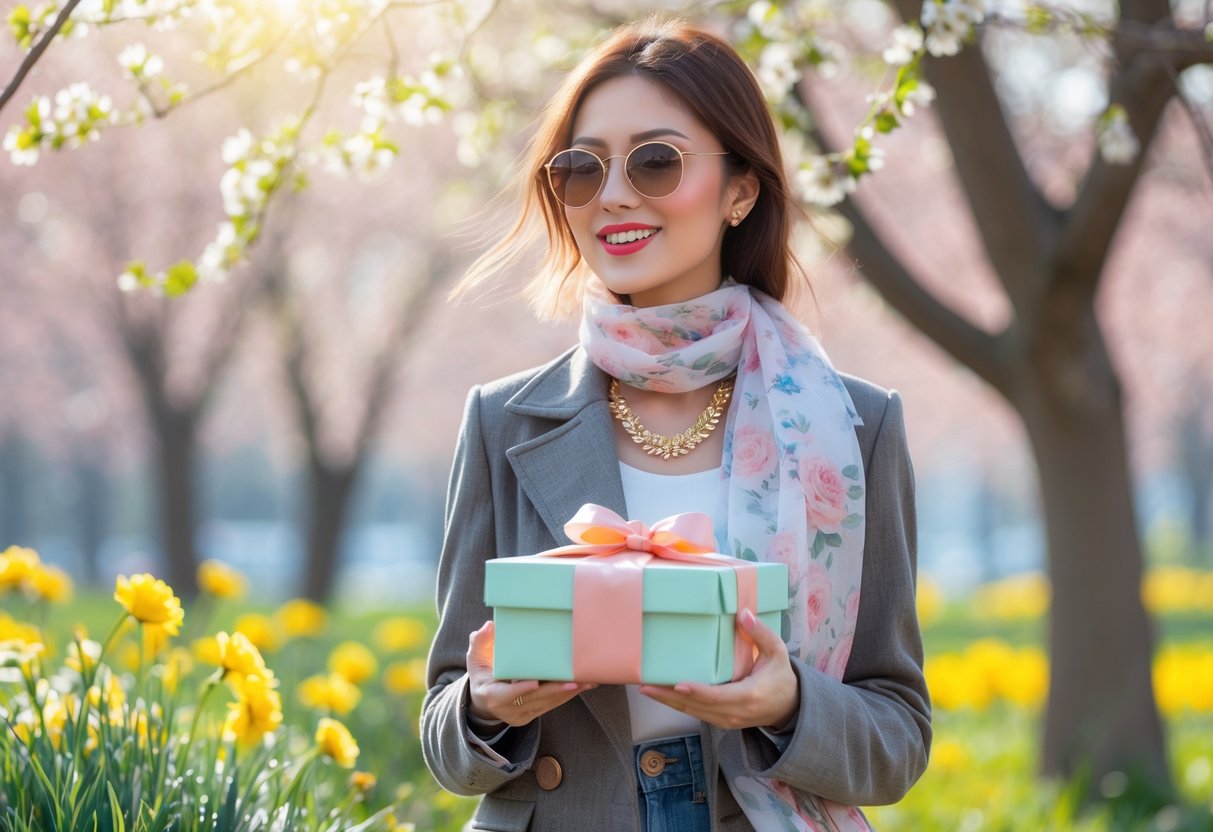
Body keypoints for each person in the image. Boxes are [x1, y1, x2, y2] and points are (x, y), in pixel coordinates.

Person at [421, 16, 930, 832]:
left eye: (655, 161)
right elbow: (444, 733)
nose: (614, 195)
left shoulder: (850, 425)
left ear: (740, 187)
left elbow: (897, 736)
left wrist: (790, 702)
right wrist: (487, 705)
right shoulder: (501, 421)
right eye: (580, 171)